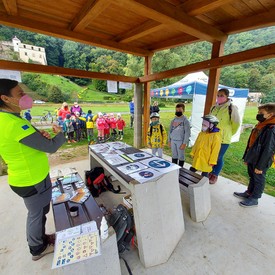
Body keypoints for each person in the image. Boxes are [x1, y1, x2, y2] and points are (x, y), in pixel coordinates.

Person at [0, 79, 66, 261]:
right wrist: (59, 134)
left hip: (29, 177)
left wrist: (40, 137)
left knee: (40, 212)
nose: (25, 97)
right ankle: (36, 248)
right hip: (31, 179)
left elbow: (29, 142)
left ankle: (41, 238)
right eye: (20, 94)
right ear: (5, 98)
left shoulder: (10, 118)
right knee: (36, 215)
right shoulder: (13, 124)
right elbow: (51, 147)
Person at [234, 103, 275, 208]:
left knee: (258, 178)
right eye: (258, 112)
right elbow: (252, 142)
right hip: (254, 156)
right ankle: (249, 192)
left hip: (262, 159)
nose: (258, 115)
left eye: (261, 113)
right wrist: (247, 156)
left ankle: (255, 198)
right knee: (252, 176)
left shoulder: (271, 128)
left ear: (271, 114)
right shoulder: (262, 125)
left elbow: (268, 149)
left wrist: (260, 166)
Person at [209, 88, 241, 184]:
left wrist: (228, 133)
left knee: (218, 157)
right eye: (218, 95)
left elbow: (236, 124)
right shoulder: (213, 107)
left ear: (227, 96)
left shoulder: (232, 108)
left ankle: (215, 174)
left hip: (224, 138)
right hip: (212, 136)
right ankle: (210, 171)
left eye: (222, 95)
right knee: (212, 156)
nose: (219, 97)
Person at [168, 103, 191, 167]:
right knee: (174, 155)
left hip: (180, 141)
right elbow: (169, 131)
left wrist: (184, 143)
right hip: (173, 140)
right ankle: (174, 168)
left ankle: (181, 169)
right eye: (177, 110)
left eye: (180, 110)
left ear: (183, 110)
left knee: (181, 156)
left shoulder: (185, 121)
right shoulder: (173, 120)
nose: (178, 111)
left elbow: (187, 133)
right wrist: (169, 140)